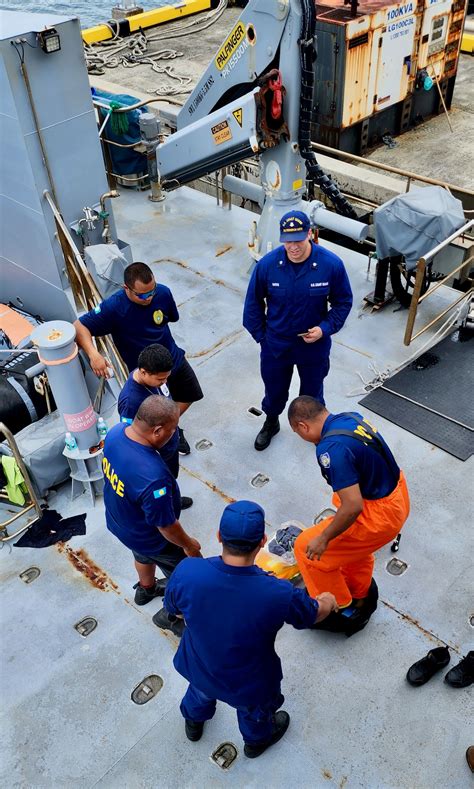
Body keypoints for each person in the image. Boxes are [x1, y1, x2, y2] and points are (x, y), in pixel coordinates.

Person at [159, 500, 337, 757]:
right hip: (249, 682)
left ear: (219, 536)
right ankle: (255, 743)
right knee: (255, 712)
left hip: (200, 666)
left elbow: (173, 608)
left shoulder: (188, 571)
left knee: (199, 692)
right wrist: (328, 601)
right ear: (263, 541)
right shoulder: (278, 592)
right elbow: (312, 615)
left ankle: (194, 723)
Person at [288, 396, 410, 636]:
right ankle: (359, 590)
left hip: (378, 515)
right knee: (352, 549)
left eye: (297, 432)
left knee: (306, 549)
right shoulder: (349, 418)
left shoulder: (331, 449)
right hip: (397, 497)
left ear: (303, 426)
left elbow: (352, 506)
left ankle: (335, 605)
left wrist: (323, 538)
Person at [243, 210, 352, 451]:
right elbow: (252, 306)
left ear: (311, 235)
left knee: (312, 393)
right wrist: (263, 339)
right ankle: (271, 422)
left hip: (313, 346)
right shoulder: (268, 266)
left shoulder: (330, 265)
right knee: (274, 390)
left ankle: (315, 430)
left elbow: (343, 302)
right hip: (276, 345)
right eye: (288, 241)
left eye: (299, 240)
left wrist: (324, 329)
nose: (293, 247)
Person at [74, 261, 203, 455]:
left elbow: (170, 318)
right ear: (127, 288)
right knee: (151, 413)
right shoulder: (114, 307)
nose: (150, 298)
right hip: (148, 374)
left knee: (191, 393)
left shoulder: (163, 293)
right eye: (143, 295)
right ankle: (164, 434)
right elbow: (79, 326)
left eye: (152, 291)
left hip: (171, 358)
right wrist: (94, 355)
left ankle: (171, 426)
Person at [102, 395, 201, 612]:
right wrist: (188, 545)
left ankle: (146, 589)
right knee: (189, 577)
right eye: (173, 429)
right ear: (157, 431)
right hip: (151, 537)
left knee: (142, 556)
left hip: (123, 524)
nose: (174, 433)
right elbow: (166, 526)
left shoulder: (116, 433)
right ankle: (175, 615)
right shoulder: (153, 478)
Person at [117, 343, 192, 510]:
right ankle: (168, 507)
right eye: (160, 379)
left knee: (172, 477)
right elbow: (130, 440)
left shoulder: (153, 381)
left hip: (169, 446)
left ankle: (174, 499)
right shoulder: (131, 402)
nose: (164, 382)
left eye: (166, 378)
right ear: (143, 371)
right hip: (156, 455)